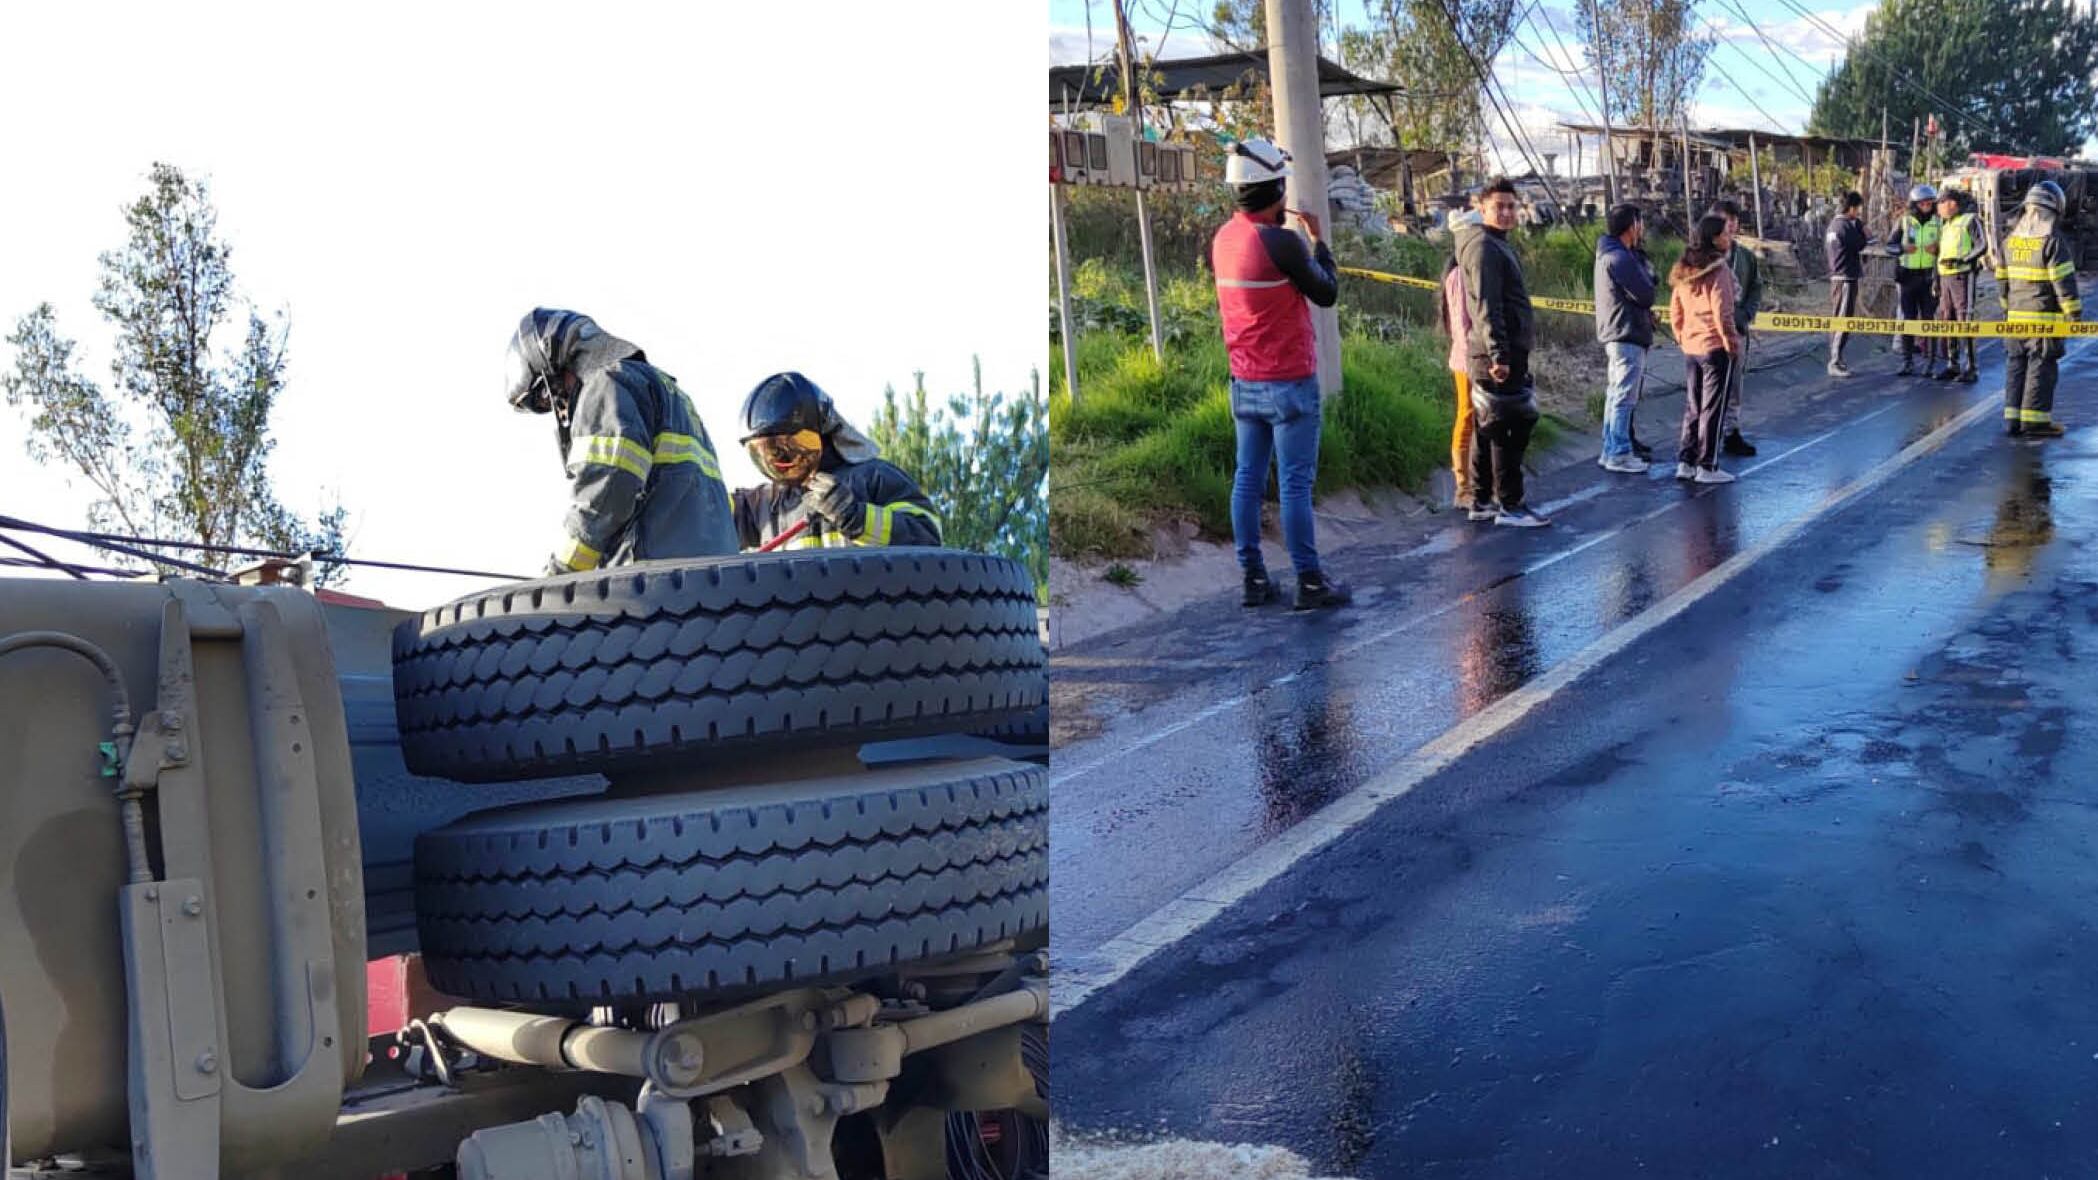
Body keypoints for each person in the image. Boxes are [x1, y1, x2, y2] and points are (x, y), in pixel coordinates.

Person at [1213, 136, 1350, 609]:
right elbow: (1326, 292)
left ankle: (1253, 578)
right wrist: (1319, 242)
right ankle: (1309, 581)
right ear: (1275, 189)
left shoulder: (1223, 239)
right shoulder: (1282, 242)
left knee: (1247, 478)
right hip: (1289, 381)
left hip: (1244, 381)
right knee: (1294, 484)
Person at [503, 308, 738, 575]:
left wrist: (561, 573)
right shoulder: (667, 390)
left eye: (546, 397)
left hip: (655, 581)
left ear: (555, 370)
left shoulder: (607, 384)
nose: (560, 407)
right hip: (718, 578)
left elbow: (608, 485)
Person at [731, 371, 942, 549]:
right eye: (764, 454)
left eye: (790, 447)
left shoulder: (874, 478)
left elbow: (927, 535)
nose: (780, 461)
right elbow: (714, 512)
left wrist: (857, 518)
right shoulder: (763, 505)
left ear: (823, 429)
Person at [1458, 177, 1548, 527]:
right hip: (1496, 355)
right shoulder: (1484, 248)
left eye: (1511, 206)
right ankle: (1510, 503)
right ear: (1482, 209)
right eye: (1499, 207)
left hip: (1499, 351)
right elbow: (1487, 305)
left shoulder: (1495, 244)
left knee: (1488, 427)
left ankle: (1481, 500)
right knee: (1507, 428)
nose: (1507, 212)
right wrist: (1500, 355)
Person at [1996, 180, 2083, 439]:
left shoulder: (2009, 241)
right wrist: (2074, 315)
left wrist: (2007, 311)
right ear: (2054, 209)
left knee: (2016, 366)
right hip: (2043, 321)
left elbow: (2002, 282)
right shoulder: (2052, 242)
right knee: (2041, 368)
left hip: (2014, 320)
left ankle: (2013, 420)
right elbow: (2063, 283)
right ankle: (2035, 422)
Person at [1668, 215, 1744, 484]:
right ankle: (1707, 465)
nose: (1729, 238)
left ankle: (1686, 461)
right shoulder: (1719, 271)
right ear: (1714, 238)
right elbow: (1723, 312)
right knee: (1712, 408)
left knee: (1693, 405)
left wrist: (1681, 336)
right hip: (1714, 346)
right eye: (1725, 234)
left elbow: (1675, 309)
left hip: (1692, 346)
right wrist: (1731, 344)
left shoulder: (1684, 268)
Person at [1594, 202, 1657, 473]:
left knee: (1615, 394)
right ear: (1632, 226)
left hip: (1619, 331)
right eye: (1639, 223)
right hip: (1626, 332)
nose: (1641, 229)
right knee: (1623, 396)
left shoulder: (1609, 254)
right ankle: (1619, 452)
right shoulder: (1620, 258)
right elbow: (1646, 293)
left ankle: (1610, 449)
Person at [1711, 199, 1763, 456]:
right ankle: (1706, 436)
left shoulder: (1745, 257)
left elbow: (1755, 288)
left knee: (1734, 384)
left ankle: (1731, 431)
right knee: (1710, 386)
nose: (1729, 225)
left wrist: (1746, 314)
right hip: (1710, 334)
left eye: (1733, 220)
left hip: (1737, 330)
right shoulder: (1702, 257)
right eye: (1724, 220)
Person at [1440, 200, 1482, 505]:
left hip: (1478, 357)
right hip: (1468, 360)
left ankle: (1479, 482)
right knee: (1467, 417)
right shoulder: (1458, 277)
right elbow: (1461, 324)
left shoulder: (1472, 271)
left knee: (1481, 419)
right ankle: (1463, 487)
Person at [1887, 184, 1941, 377]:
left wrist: (1938, 248)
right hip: (1907, 278)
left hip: (1928, 278)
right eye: (1922, 203)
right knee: (1908, 320)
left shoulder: (1938, 222)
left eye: (1929, 203)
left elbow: (1948, 246)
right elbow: (1889, 246)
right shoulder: (1904, 221)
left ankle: (1931, 362)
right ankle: (1907, 361)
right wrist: (1902, 249)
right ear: (1915, 204)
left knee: (1929, 320)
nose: (1926, 206)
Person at [1934, 188, 1985, 383]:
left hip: (1963, 277)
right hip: (1945, 278)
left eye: (1941, 204)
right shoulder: (1946, 225)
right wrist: (1936, 279)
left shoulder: (1970, 220)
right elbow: (1940, 254)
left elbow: (1982, 245)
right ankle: (1952, 364)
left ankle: (1971, 367)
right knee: (1948, 320)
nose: (1938, 209)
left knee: (1965, 320)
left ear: (1952, 203)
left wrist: (1962, 260)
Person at [1824, 191, 1868, 377]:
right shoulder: (1844, 226)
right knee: (1842, 319)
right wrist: (1863, 231)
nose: (1858, 213)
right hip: (1845, 278)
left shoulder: (1834, 225)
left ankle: (1838, 357)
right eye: (1857, 209)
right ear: (1851, 208)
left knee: (1842, 317)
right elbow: (1860, 244)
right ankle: (1834, 361)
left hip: (1840, 276)